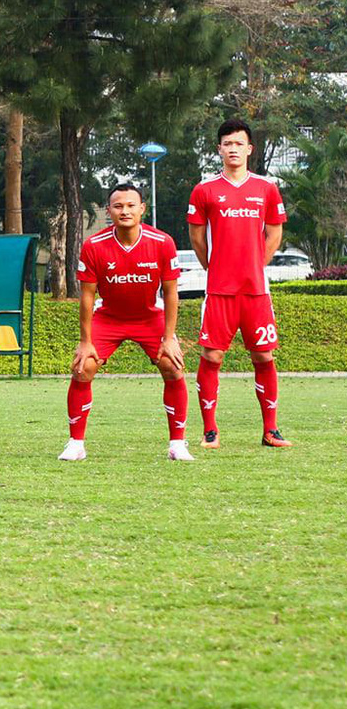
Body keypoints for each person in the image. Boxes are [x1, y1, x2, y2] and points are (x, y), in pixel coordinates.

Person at [187, 119, 291, 448]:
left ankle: (270, 430)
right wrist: (214, 267)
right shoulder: (204, 190)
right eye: (227, 144)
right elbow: (197, 237)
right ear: (219, 149)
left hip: (257, 291)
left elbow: (274, 233)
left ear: (249, 149)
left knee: (264, 357)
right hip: (219, 290)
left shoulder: (266, 189)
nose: (233, 149)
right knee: (212, 357)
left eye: (238, 144)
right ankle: (210, 431)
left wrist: (255, 265)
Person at [66, 183, 188, 461]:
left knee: (172, 366)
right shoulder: (93, 245)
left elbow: (170, 293)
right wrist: (85, 342)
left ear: (142, 209)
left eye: (131, 205)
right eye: (118, 206)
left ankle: (178, 444)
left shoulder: (162, 242)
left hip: (149, 318)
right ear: (109, 211)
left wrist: (169, 338)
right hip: (109, 318)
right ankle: (76, 443)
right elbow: (87, 297)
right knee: (83, 368)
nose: (125, 211)